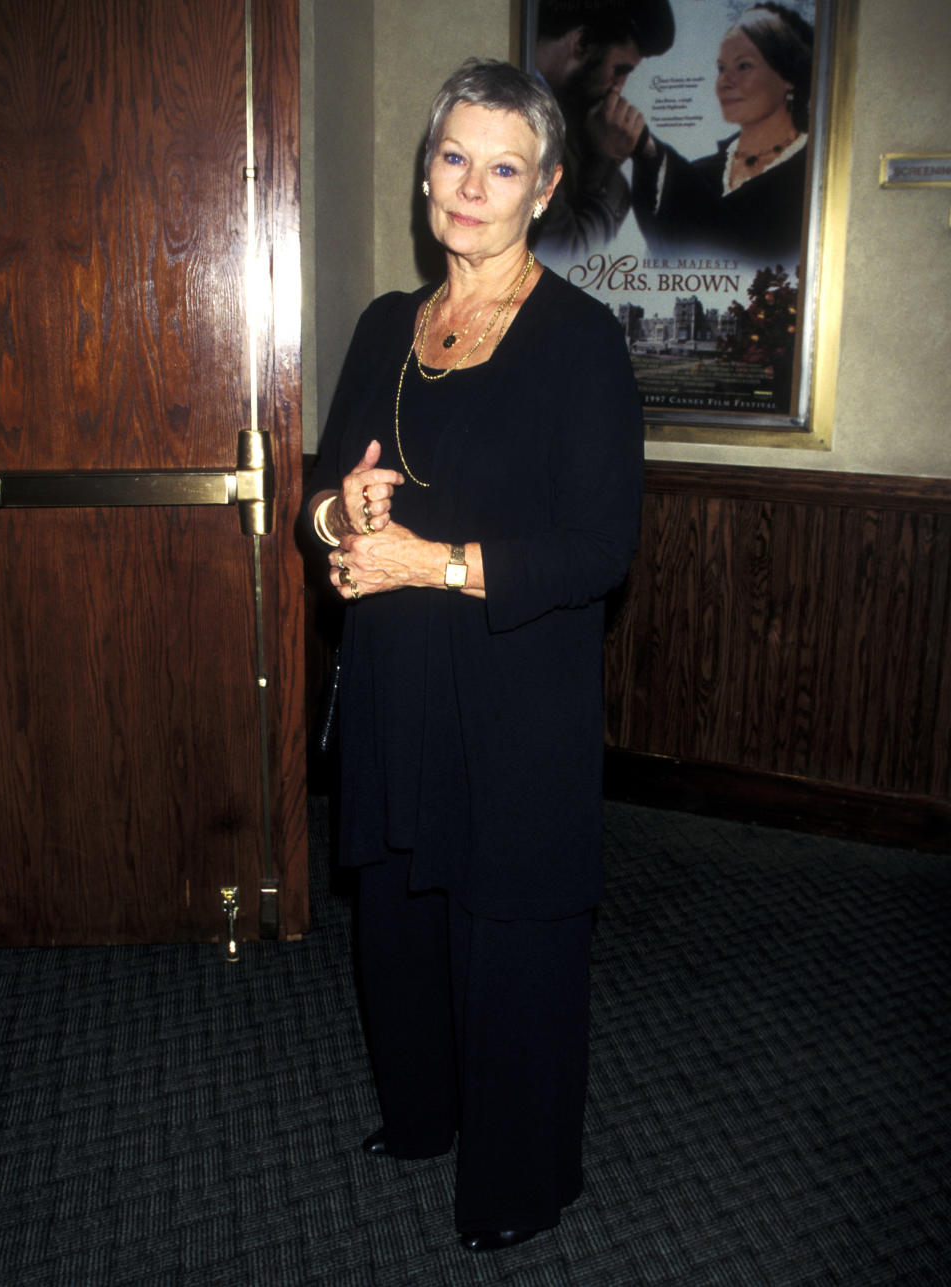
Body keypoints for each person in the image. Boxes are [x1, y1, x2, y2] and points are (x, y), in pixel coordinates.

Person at [304, 59, 643, 1252]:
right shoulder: (382, 327)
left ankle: (518, 1183)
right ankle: (421, 1115)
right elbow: (324, 495)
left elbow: (598, 550)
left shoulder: (582, 343)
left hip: (514, 702)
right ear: (425, 167)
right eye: (454, 156)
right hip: (400, 687)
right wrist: (340, 524)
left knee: (510, 941)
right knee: (398, 915)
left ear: (544, 190)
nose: (472, 187)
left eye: (505, 168)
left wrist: (428, 563)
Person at [629, 3, 814, 264]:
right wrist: (646, 152)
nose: (725, 81)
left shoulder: (811, 174)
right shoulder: (701, 171)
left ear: (788, 76)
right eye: (721, 69)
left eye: (744, 66)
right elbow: (663, 249)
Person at [533, 0, 675, 254]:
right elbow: (565, 256)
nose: (618, 88)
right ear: (583, 43)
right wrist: (605, 158)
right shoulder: (528, 128)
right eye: (619, 71)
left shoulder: (567, 117)